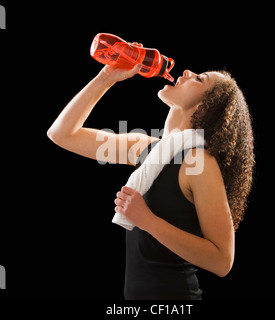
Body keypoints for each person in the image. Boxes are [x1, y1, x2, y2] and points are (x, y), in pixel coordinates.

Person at [47, 63, 255, 300]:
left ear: (204, 106)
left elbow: (222, 261)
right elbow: (62, 134)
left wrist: (147, 221)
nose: (187, 72)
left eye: (199, 79)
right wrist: (105, 77)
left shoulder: (199, 162)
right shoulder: (147, 149)